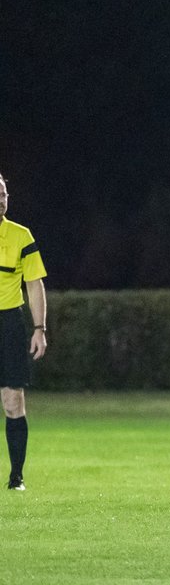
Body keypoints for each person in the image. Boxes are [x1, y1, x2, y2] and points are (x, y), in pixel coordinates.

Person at [0, 174, 48, 491]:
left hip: (9, 324)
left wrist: (39, 328)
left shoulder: (20, 236)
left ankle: (16, 476)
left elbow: (34, 283)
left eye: (3, 194)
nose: (1, 199)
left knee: (13, 400)